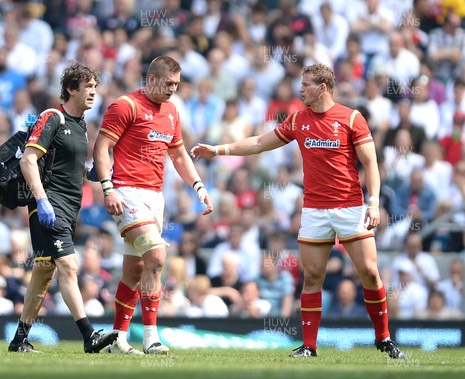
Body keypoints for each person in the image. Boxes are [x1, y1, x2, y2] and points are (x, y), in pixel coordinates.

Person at [191, 63, 407, 359]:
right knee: (312, 277)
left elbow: (370, 164)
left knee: (370, 272)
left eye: (306, 84)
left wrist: (374, 202)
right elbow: (258, 143)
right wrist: (218, 150)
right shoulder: (297, 120)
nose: (300, 89)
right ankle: (309, 346)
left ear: (322, 88)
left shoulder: (352, 118)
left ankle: (383, 338)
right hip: (314, 210)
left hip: (350, 207)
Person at [92, 56, 214, 355]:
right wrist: (108, 188)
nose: (174, 89)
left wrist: (198, 186)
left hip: (154, 197)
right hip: (126, 192)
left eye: (177, 83)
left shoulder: (171, 112)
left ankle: (118, 340)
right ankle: (151, 337)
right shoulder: (125, 106)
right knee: (158, 256)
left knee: (134, 271)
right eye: (169, 83)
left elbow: (179, 155)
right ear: (152, 79)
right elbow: (101, 147)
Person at [7, 62, 117, 354]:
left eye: (95, 87)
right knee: (69, 264)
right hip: (49, 204)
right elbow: (28, 160)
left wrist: (89, 175)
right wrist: (41, 200)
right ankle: (88, 335)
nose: (94, 92)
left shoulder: (80, 126)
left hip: (69, 207)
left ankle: (19, 341)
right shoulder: (52, 117)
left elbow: (66, 165)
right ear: (71, 89)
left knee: (44, 273)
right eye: (88, 87)